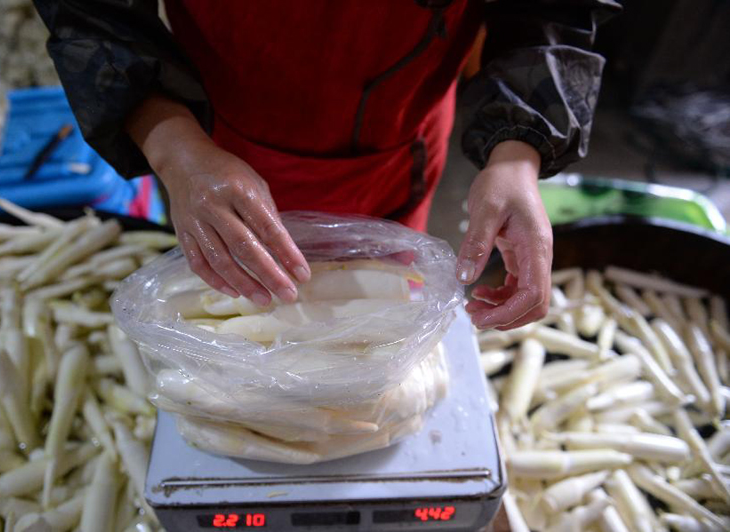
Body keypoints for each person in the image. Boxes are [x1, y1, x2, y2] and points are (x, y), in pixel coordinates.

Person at [34, 0, 620, 331]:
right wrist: (174, 147)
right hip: (210, 146)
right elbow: (91, 10)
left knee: (386, 312)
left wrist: (517, 153)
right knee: (230, 312)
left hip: (399, 143)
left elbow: (552, 8)